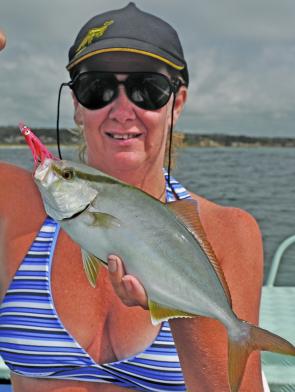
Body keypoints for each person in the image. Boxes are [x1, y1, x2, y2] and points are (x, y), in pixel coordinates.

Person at [0, 3, 266, 391]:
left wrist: (175, 296)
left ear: (176, 104)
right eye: (97, 89)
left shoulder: (229, 231)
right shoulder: (13, 201)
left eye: (148, 90)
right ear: (76, 105)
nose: (123, 110)